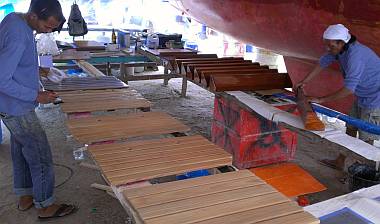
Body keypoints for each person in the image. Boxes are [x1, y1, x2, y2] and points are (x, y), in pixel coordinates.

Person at [0, 0, 76, 220]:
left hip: (9, 105)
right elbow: (1, 78)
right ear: (34, 16)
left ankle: (25, 196)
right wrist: (36, 95)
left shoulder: (14, 19)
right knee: (40, 154)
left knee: (21, 150)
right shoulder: (18, 35)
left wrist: (35, 68)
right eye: (47, 26)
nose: (48, 31)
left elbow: (12, 62)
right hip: (16, 106)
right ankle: (45, 205)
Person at [296, 24, 380, 170]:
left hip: (375, 97)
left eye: (331, 46)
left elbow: (348, 89)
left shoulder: (356, 55)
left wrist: (320, 99)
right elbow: (322, 62)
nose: (328, 49)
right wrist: (304, 81)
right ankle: (340, 161)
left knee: (366, 137)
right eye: (326, 45)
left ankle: (363, 171)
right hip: (362, 94)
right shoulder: (340, 49)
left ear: (341, 42)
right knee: (351, 128)